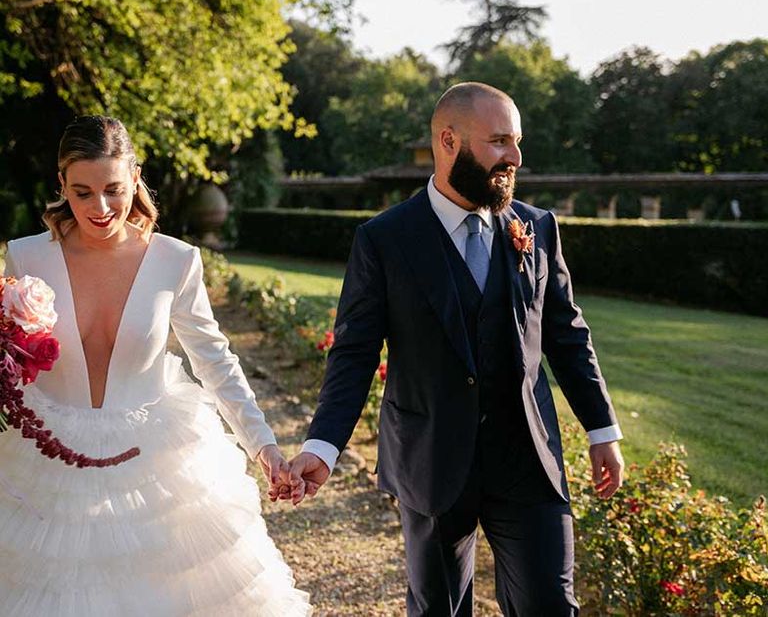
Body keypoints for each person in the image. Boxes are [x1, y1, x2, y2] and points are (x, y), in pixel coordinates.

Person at [288, 82, 625, 615]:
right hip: (431, 460)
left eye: (515, 142)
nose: (514, 157)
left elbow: (566, 333)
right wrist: (324, 446)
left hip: (528, 461)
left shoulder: (536, 228)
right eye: (498, 142)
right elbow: (353, 353)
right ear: (449, 140)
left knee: (550, 606)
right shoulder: (384, 239)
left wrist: (602, 429)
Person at [0, 116, 311, 616]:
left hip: (152, 458)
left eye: (114, 190)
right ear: (61, 186)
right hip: (41, 459)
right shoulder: (25, 259)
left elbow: (214, 360)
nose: (99, 209)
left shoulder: (175, 261)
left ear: (135, 177)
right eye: (82, 193)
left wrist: (265, 447)